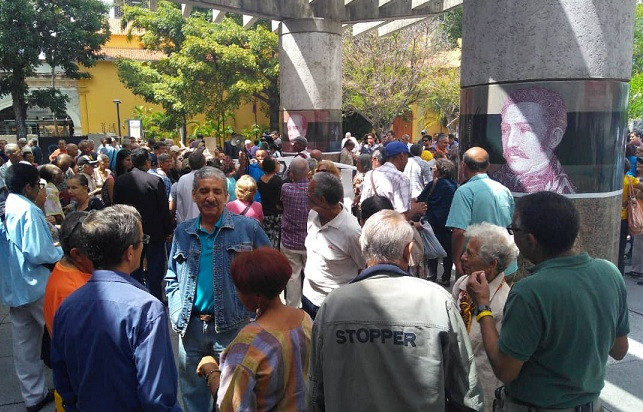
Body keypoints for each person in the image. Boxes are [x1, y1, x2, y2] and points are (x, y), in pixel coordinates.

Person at [467, 192, 629, 411]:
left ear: (530, 239)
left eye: (513, 229)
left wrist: (483, 306)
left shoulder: (529, 291)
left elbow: (505, 370)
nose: (512, 235)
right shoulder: (610, 273)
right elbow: (619, 350)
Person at [307, 210, 482, 411]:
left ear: (363, 248)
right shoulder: (437, 301)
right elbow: (466, 389)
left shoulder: (334, 305)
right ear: (408, 250)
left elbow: (315, 388)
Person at [51, 205, 181, 411]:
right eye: (142, 241)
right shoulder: (147, 309)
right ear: (130, 252)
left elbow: (62, 377)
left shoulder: (68, 305)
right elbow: (157, 396)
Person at [165, 166, 271, 411]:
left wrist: (258, 315)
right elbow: (171, 278)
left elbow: (271, 274)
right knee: (193, 396)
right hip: (190, 329)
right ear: (194, 195)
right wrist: (177, 312)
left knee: (233, 396)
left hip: (233, 328)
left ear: (226, 196)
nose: (209, 197)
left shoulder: (248, 229)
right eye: (203, 191)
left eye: (216, 191)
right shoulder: (183, 232)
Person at [196, 247, 312, 411]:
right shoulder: (304, 320)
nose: (237, 294)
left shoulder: (248, 344)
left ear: (257, 296)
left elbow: (229, 405)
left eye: (240, 289)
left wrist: (211, 371)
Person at [0, 163, 62, 412]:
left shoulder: (6, 206)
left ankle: (33, 396)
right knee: (62, 336)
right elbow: (39, 252)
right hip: (37, 286)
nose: (39, 190)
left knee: (25, 346)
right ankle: (73, 388)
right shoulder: (28, 210)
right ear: (28, 187)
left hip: (14, 287)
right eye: (38, 185)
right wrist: (60, 250)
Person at [453, 223, 518, 412]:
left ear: (492, 265)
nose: (463, 258)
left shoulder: (505, 303)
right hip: (458, 381)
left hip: (485, 390)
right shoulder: (462, 284)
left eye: (470, 254)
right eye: (465, 251)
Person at [301, 172, 365, 319]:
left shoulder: (351, 231)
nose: (306, 194)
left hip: (334, 305)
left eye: (308, 192)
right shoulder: (313, 215)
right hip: (308, 295)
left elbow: (363, 265)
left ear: (322, 200)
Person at [446, 147, 516, 280]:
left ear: (463, 165)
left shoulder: (464, 191)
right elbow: (511, 225)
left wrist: (456, 261)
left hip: (478, 269)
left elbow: (459, 232)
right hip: (506, 266)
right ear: (488, 165)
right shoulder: (504, 190)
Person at [491, 87, 575, 194]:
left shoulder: (562, 191)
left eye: (525, 129)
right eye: (505, 130)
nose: (510, 143)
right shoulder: (495, 179)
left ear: (554, 137)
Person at [113, 148, 172, 302]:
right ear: (147, 162)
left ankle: (137, 297)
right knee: (155, 269)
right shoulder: (154, 180)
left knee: (133, 267)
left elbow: (116, 208)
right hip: (154, 233)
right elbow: (163, 208)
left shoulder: (121, 181)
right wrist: (168, 229)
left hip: (130, 232)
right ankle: (155, 298)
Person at [417, 158, 458, 285]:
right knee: (448, 252)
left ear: (439, 171)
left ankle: (432, 276)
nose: (433, 171)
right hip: (448, 224)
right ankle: (446, 277)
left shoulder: (433, 184)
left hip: (432, 223)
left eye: (434, 169)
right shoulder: (454, 186)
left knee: (431, 250)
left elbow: (421, 199)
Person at [280, 157, 311, 308]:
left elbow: (285, 178)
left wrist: (289, 173)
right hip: (309, 241)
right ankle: (308, 307)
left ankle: (291, 309)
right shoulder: (314, 189)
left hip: (290, 242)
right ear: (308, 172)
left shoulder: (286, 188)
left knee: (293, 277)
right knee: (311, 275)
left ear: (291, 173)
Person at [257, 156, 283, 248]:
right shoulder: (278, 180)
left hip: (266, 212)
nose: (279, 165)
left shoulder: (260, 180)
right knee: (277, 238)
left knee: (268, 238)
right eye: (277, 163)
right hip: (277, 213)